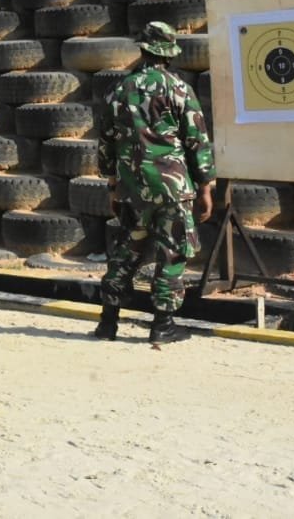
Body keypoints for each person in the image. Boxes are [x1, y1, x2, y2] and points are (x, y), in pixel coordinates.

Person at [94, 21, 215, 346]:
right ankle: (163, 324)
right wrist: (205, 187)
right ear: (169, 53)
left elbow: (106, 142)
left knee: (127, 252)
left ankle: (108, 321)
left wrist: (112, 185)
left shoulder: (119, 89)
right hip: (172, 187)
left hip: (133, 188)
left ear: (143, 49)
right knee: (173, 251)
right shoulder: (179, 89)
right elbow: (197, 141)